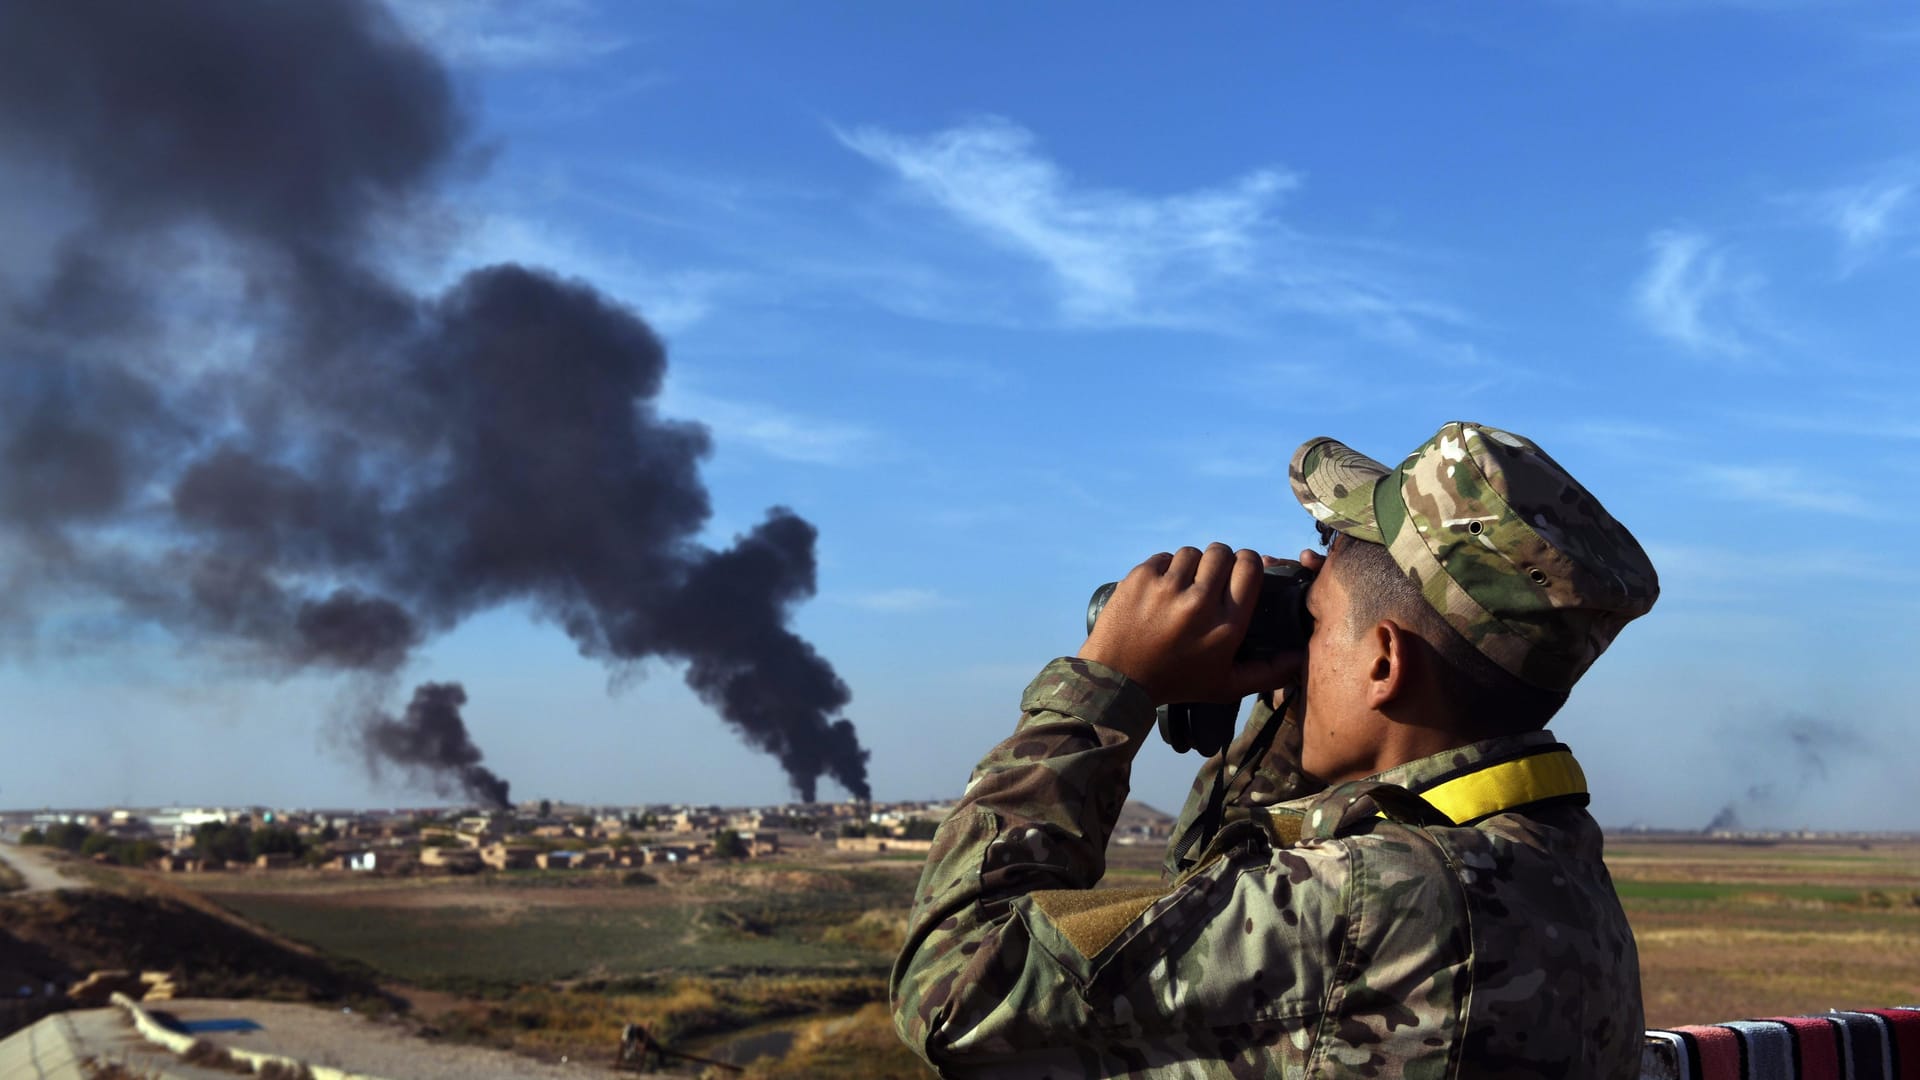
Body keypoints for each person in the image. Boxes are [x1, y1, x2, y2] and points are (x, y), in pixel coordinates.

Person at [890, 421, 1660, 1078]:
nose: (1302, 638)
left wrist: (1104, 685)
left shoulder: (1381, 899)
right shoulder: (1550, 865)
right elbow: (1222, 892)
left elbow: (956, 995)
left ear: (1384, 665)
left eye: (1314, 620)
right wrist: (1300, 692)